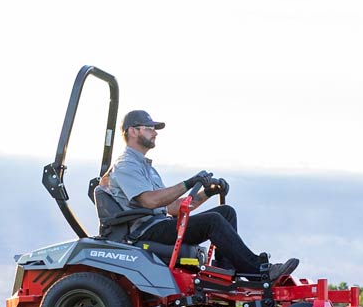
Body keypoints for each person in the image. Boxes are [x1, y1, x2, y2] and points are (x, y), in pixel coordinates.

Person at [105, 109, 298, 279]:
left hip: (160, 224)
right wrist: (188, 183)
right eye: (149, 128)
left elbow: (171, 208)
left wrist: (208, 193)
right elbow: (149, 201)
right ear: (132, 131)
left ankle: (226, 270)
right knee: (213, 221)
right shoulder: (125, 166)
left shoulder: (145, 167)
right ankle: (258, 271)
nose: (155, 133)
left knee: (225, 212)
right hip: (144, 230)